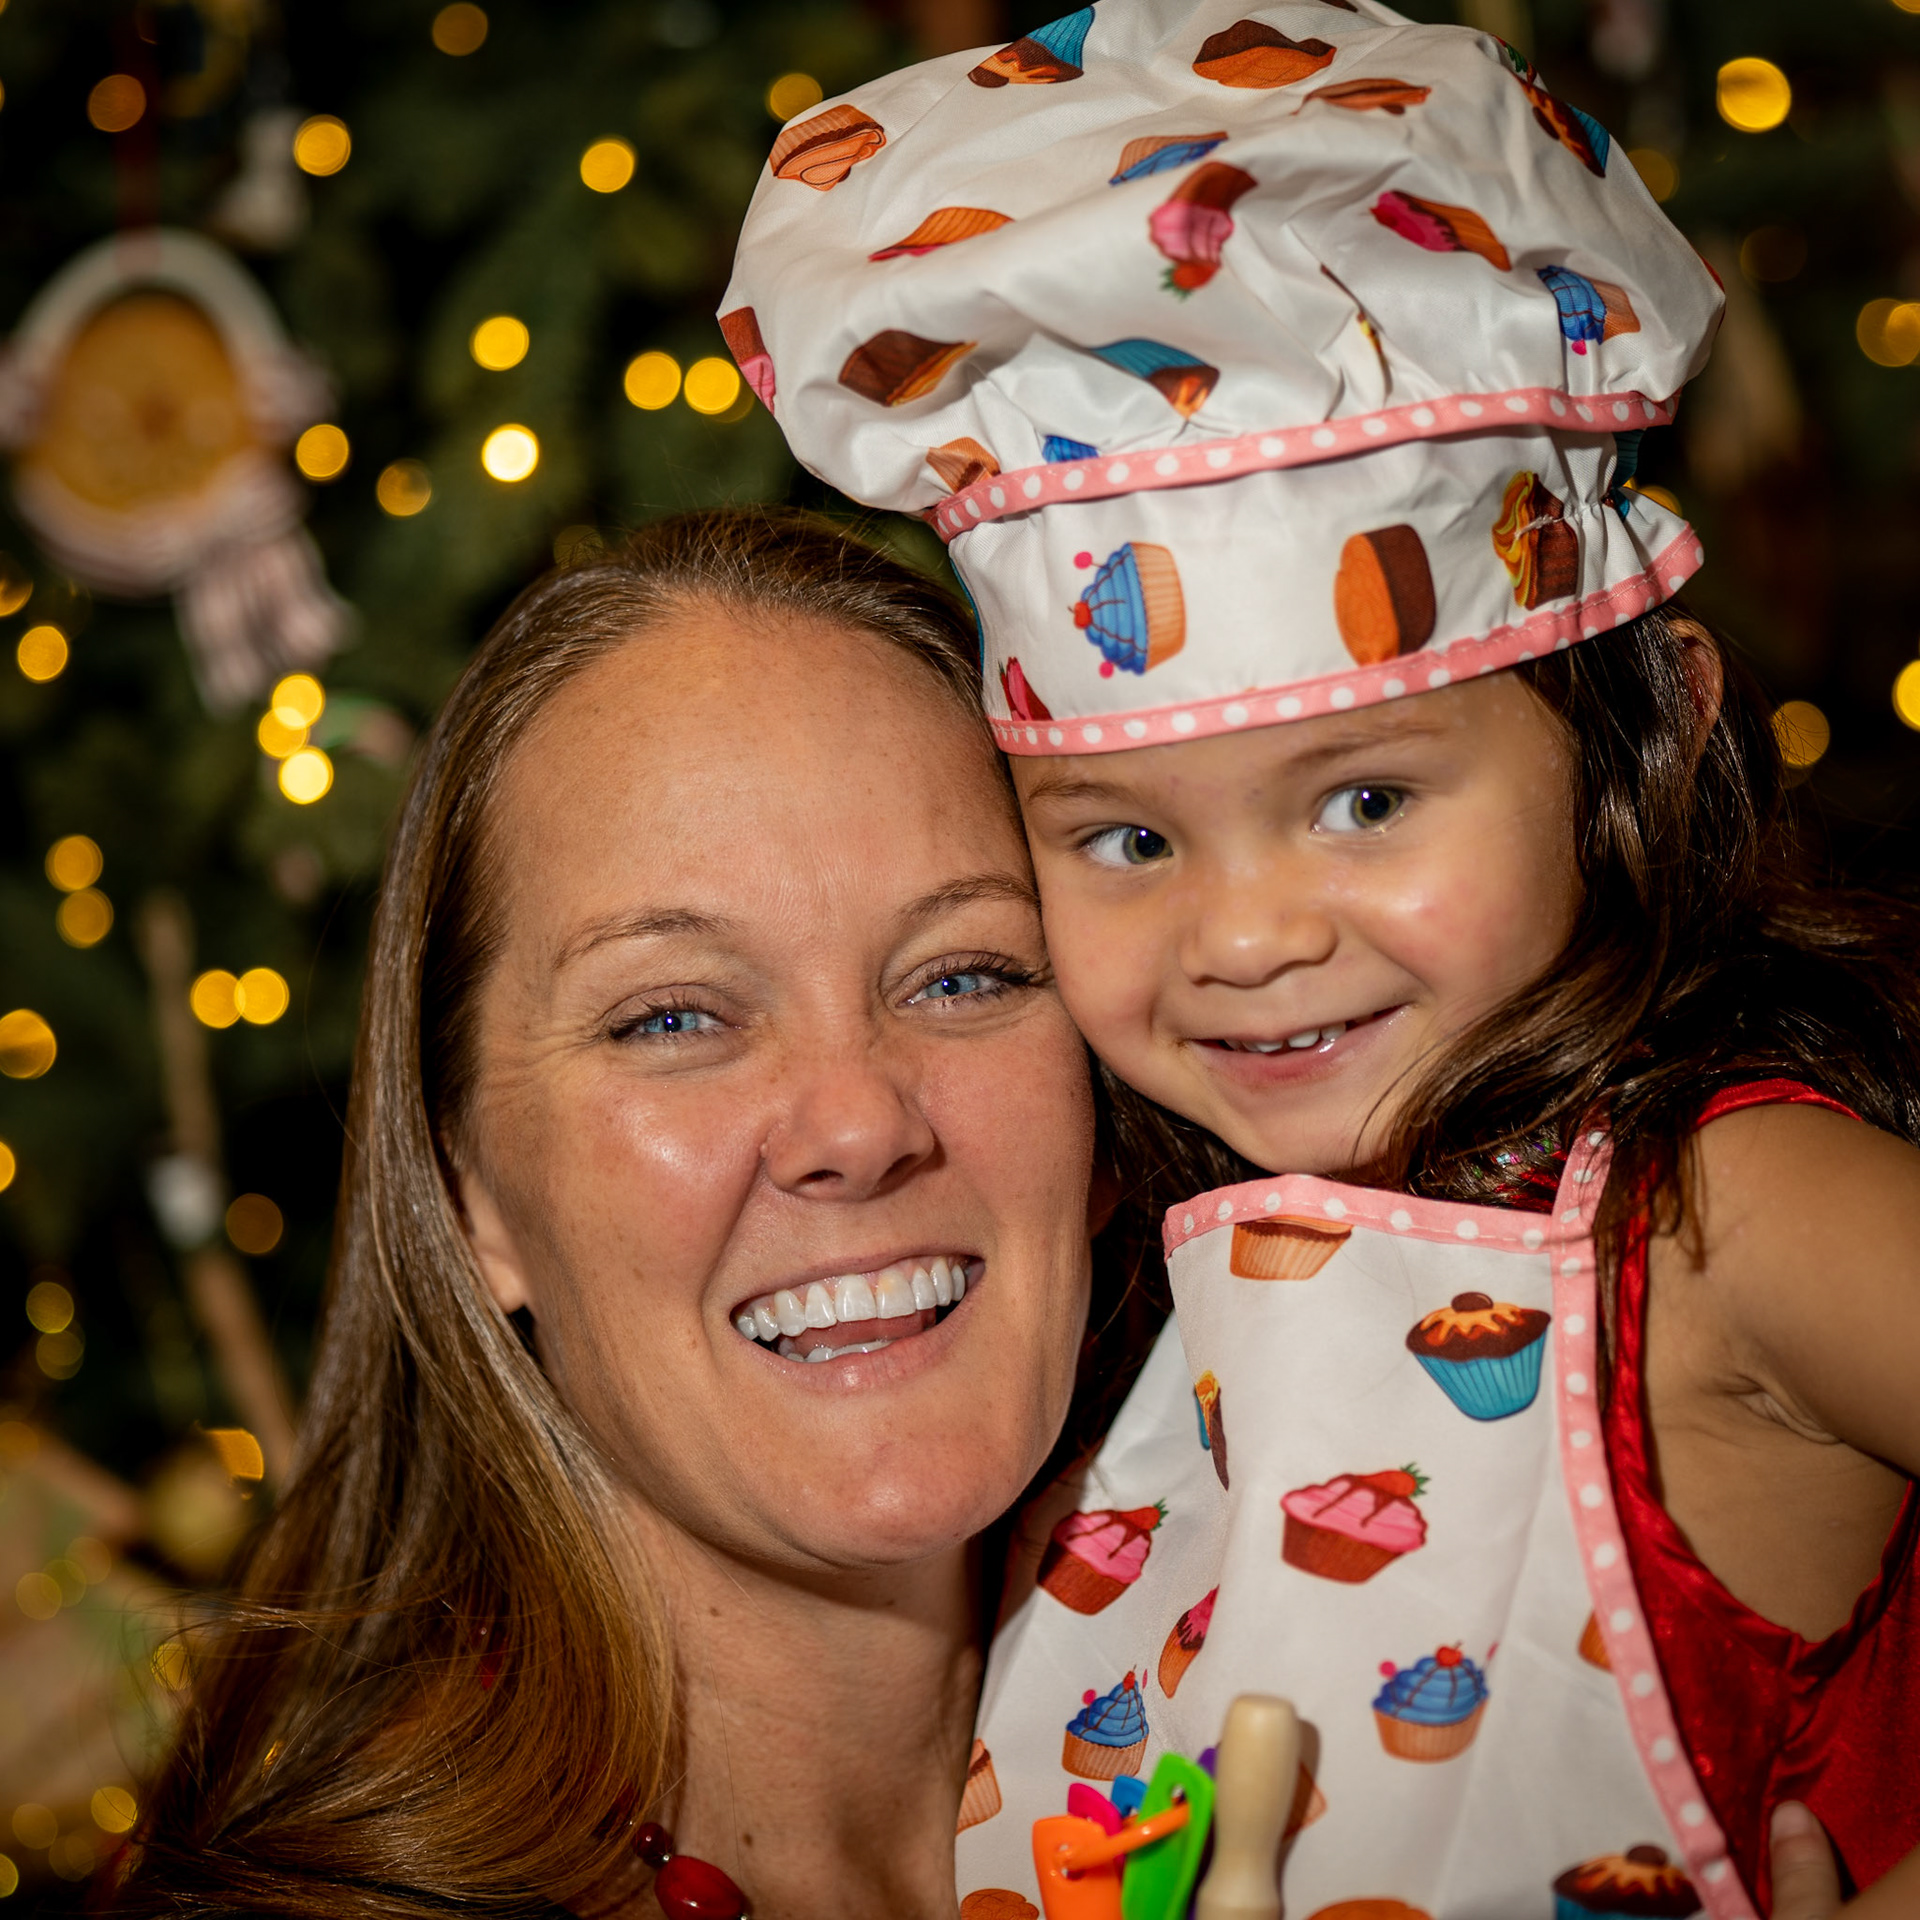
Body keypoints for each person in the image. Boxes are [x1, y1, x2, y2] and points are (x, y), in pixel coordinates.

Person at [726, 4, 1920, 1915]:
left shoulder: (1722, 1220)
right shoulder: (1111, 1339)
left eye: (1365, 800)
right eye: (1127, 840)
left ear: (1656, 732)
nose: (1248, 937)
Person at [113, 509, 1121, 1920]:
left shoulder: (1321, 1726)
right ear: (470, 1195)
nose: (859, 1125)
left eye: (963, 977)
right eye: (674, 1017)